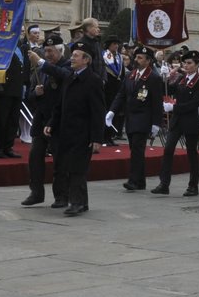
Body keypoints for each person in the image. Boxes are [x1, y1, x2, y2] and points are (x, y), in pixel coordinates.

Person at [46, 46, 106, 217]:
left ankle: (77, 203)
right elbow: (60, 105)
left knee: (77, 169)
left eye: (76, 56)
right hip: (66, 131)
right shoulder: (70, 77)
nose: (71, 58)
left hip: (83, 133)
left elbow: (98, 111)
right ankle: (82, 202)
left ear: (86, 60)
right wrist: (52, 122)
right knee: (68, 166)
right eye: (71, 55)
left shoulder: (93, 80)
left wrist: (97, 138)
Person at [21, 32, 68, 208]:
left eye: (50, 51)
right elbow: (30, 95)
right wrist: (36, 93)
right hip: (41, 120)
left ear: (59, 51)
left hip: (58, 120)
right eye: (45, 51)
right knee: (35, 156)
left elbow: (63, 75)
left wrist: (41, 62)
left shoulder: (67, 65)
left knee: (59, 160)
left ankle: (61, 195)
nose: (47, 55)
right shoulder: (40, 69)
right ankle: (36, 192)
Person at [110, 46, 165, 192]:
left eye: (140, 58)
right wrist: (112, 111)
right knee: (134, 149)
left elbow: (157, 102)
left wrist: (156, 124)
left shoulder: (154, 78)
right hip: (130, 118)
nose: (137, 60)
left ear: (148, 61)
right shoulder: (130, 75)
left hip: (143, 119)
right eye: (137, 57)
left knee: (137, 150)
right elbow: (121, 95)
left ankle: (133, 180)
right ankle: (141, 181)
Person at [152, 50, 199, 196]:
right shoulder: (182, 79)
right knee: (168, 150)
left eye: (189, 63)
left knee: (191, 153)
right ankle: (164, 184)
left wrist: (173, 107)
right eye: (185, 63)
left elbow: (194, 103)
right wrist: (163, 77)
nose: (186, 66)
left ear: (197, 65)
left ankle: (193, 186)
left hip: (190, 122)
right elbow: (167, 90)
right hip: (177, 122)